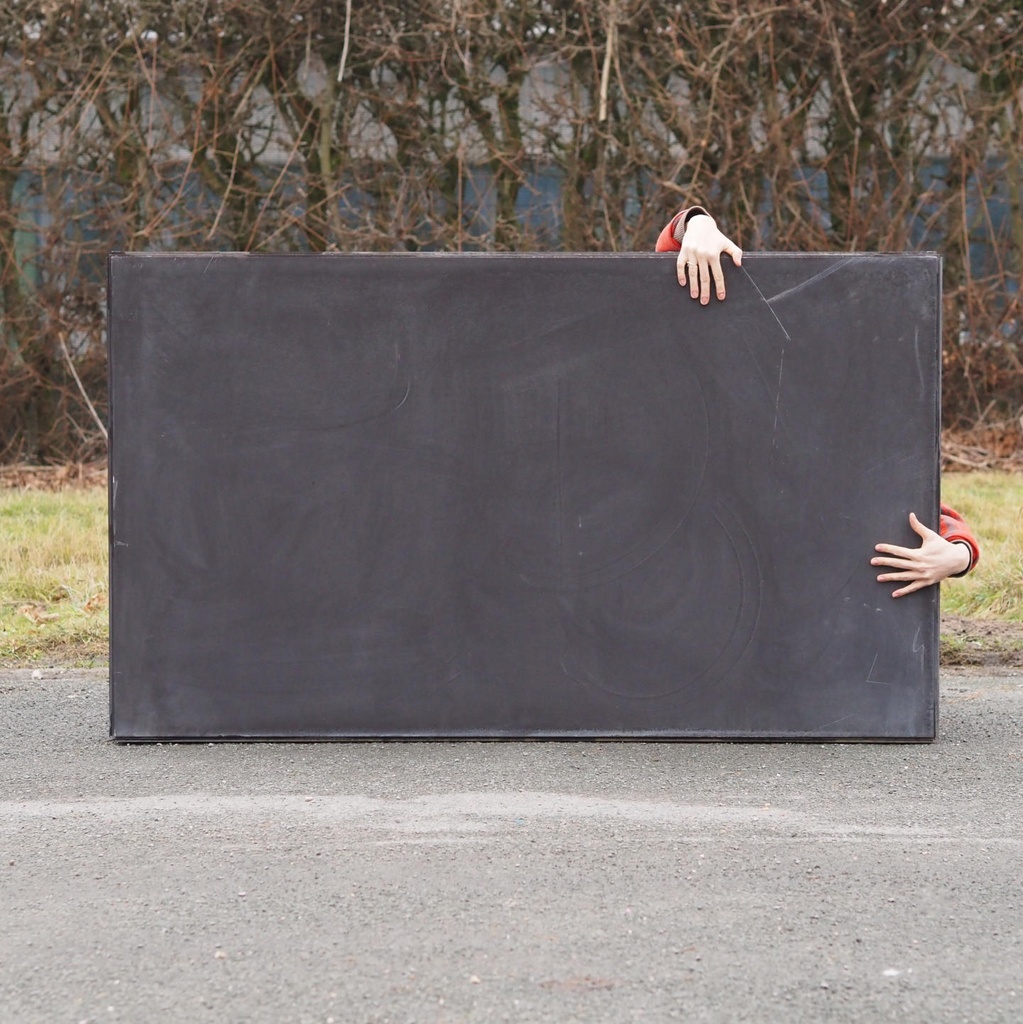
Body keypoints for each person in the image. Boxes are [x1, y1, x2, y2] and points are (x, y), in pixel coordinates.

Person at [656, 204, 981, 597]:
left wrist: (959, 555)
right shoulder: (720, 428)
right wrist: (697, 224)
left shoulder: (840, 450)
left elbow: (922, 512)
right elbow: (667, 281)